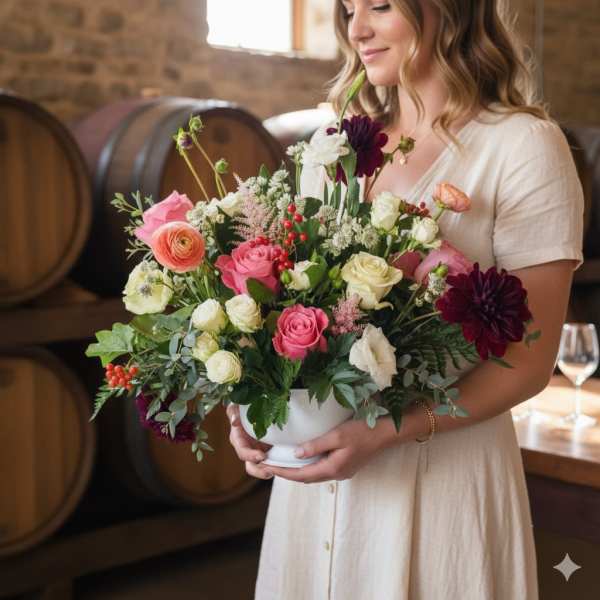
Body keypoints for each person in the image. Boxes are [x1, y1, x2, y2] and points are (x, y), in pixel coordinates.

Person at [227, 1, 584, 598]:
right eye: (348, 8)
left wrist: (388, 432)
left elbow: (529, 363)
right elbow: (284, 313)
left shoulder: (523, 146)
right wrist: (249, 407)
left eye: (381, 5)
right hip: (313, 492)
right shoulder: (332, 146)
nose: (357, 29)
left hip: (442, 481)